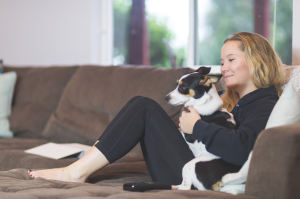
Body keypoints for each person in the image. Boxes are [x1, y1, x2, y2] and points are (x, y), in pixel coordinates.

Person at [28, 32, 284, 185]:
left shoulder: (264, 101)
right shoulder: (234, 100)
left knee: (144, 107)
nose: (223, 68)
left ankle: (75, 173)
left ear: (255, 61)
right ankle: (84, 161)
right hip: (191, 165)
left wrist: (197, 126)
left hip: (200, 177)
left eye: (231, 60)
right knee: (141, 108)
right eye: (221, 61)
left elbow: (243, 149)